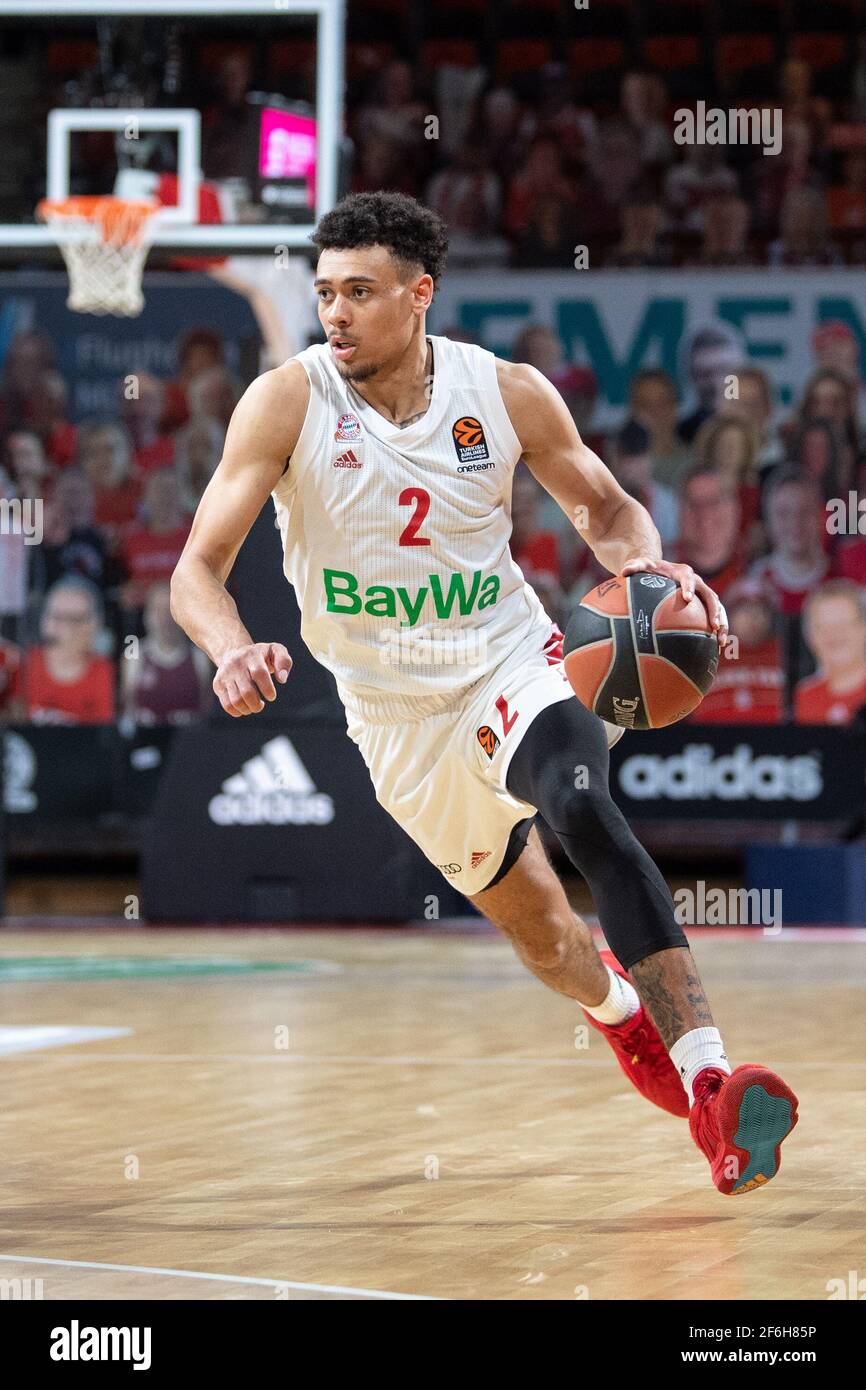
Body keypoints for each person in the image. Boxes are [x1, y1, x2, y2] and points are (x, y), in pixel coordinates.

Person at [171, 190, 798, 1196]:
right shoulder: (285, 402)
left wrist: (653, 570)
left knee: (580, 800)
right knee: (548, 939)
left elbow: (603, 506)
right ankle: (618, 1019)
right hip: (395, 722)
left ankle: (711, 1081)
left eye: (359, 292)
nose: (334, 313)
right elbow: (195, 569)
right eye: (326, 292)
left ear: (419, 294)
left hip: (511, 662)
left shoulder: (502, 391)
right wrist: (229, 644)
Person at [10, 575, 115, 724]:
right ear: (45, 620)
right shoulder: (23, 665)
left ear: (94, 624)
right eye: (58, 617)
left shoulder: (104, 671)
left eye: (77, 619)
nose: (67, 629)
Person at [121, 581, 210, 726]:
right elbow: (126, 708)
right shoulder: (133, 655)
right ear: (146, 616)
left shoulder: (199, 657)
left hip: (187, 743)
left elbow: (207, 710)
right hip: (145, 743)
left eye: (170, 610)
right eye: (158, 610)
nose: (165, 618)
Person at [794, 581, 866, 725]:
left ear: (863, 628)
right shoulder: (804, 697)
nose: (833, 635)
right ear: (811, 637)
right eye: (823, 627)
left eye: (843, 625)